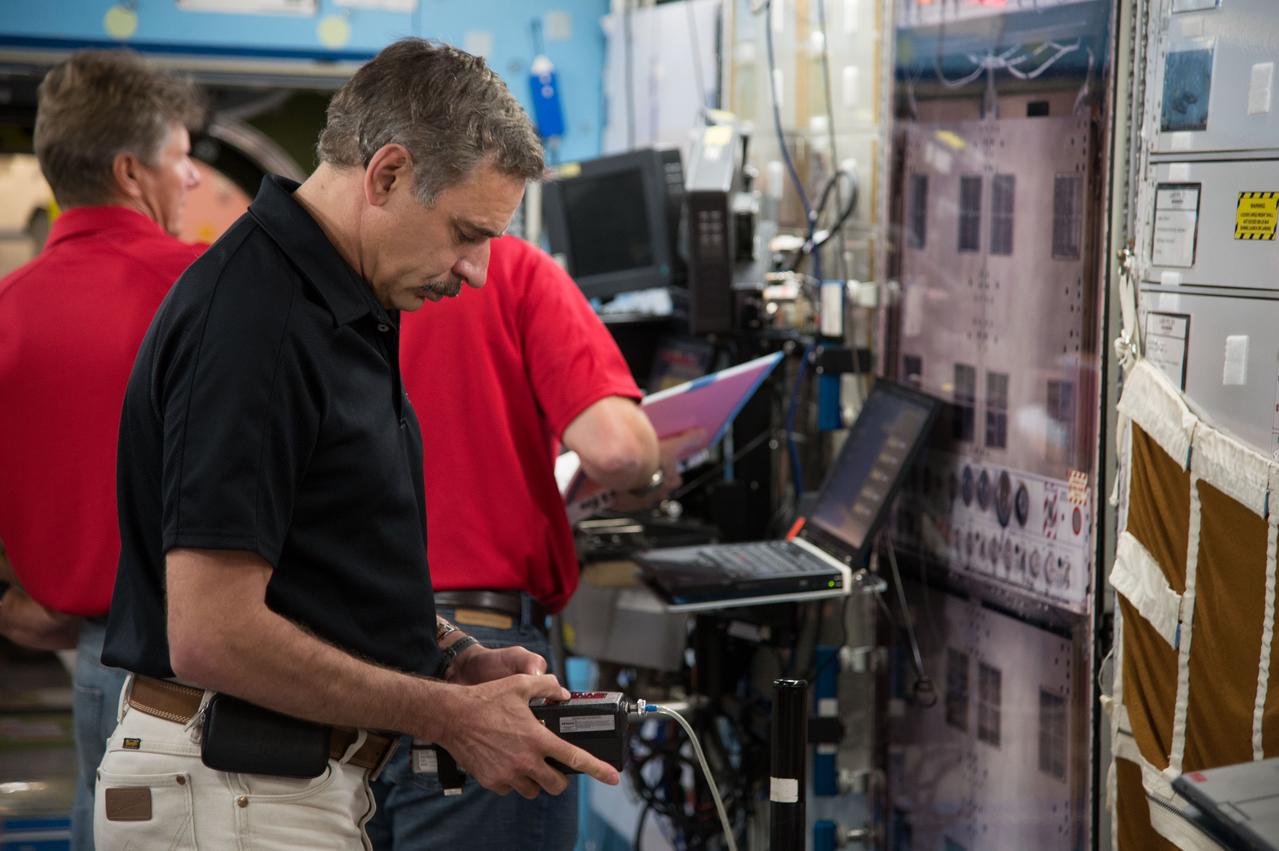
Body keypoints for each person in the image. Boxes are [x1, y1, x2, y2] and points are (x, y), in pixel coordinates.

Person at [95, 38, 619, 851]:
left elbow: (317, 567)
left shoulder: (335, 306)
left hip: (274, 785)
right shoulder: (258, 321)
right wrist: (449, 715)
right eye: (466, 233)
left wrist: (445, 655)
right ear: (386, 174)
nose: (477, 272)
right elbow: (211, 630)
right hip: (231, 790)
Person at [369, 234, 694, 850]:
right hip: (481, 656)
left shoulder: (333, 274)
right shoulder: (512, 270)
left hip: (346, 651)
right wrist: (652, 473)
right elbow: (617, 449)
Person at [0, 49, 205, 851]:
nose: (190, 180)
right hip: (202, 679)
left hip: (88, 657)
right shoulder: (208, 289)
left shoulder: (10, 310)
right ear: (131, 170)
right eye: (182, 159)